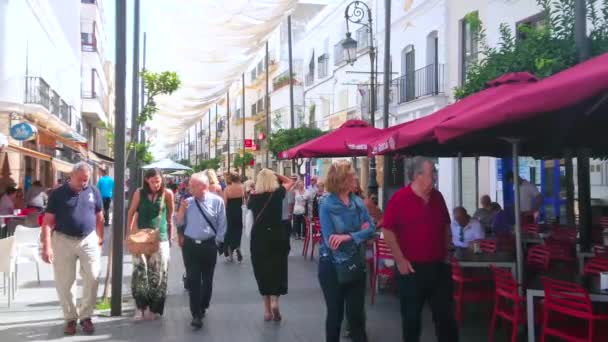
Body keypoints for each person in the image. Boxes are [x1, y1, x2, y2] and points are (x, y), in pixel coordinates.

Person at [382, 156, 459, 342]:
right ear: (417, 175)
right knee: (411, 319)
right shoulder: (400, 198)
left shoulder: (437, 197)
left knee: (446, 318)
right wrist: (399, 260)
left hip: (438, 266)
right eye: (432, 171)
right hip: (411, 269)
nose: (435, 175)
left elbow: (446, 226)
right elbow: (387, 230)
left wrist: (447, 252)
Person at [40, 162, 104, 335]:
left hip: (88, 239)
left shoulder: (93, 191)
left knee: (93, 276)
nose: (84, 183)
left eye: (86, 180)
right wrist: (47, 246)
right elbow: (47, 223)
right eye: (80, 179)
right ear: (72, 175)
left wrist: (100, 238)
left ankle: (86, 316)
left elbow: (99, 217)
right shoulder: (58, 194)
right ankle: (70, 318)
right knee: (65, 282)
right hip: (62, 239)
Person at [318, 160, 375, 342]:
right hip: (332, 268)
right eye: (352, 174)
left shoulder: (358, 203)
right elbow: (330, 240)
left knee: (356, 317)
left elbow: (371, 228)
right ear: (342, 179)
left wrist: (348, 236)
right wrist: (360, 232)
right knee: (335, 314)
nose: (356, 177)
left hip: (356, 265)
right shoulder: (327, 205)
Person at [177, 172, 227, 329]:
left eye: (192, 185)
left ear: (203, 187)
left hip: (209, 245)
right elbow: (179, 221)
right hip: (191, 246)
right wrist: (182, 211)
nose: (189, 188)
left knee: (207, 280)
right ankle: (196, 314)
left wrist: (218, 242)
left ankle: (203, 304)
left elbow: (222, 224)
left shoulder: (217, 201)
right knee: (193, 280)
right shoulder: (187, 202)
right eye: (189, 185)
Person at [126, 168, 175, 321]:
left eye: (158, 181)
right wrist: (129, 233)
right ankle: (140, 308)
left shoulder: (167, 194)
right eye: (153, 181)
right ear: (147, 180)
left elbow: (170, 216)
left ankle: (155, 308)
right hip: (141, 238)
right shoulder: (139, 193)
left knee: (159, 273)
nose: (155, 184)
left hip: (160, 238)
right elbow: (131, 212)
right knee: (140, 273)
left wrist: (170, 235)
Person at [248, 169, 294, 321]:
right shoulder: (278, 193)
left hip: (258, 238)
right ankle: (275, 300)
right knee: (277, 268)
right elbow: (290, 182)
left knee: (262, 271)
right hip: (276, 235)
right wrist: (275, 173)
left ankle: (267, 310)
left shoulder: (253, 197)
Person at [223, 172, 245, 262]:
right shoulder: (242, 188)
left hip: (230, 213)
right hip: (239, 212)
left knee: (229, 233)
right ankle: (238, 247)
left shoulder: (227, 189)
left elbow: (225, 203)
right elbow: (244, 201)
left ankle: (230, 255)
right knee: (238, 231)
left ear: (231, 179)